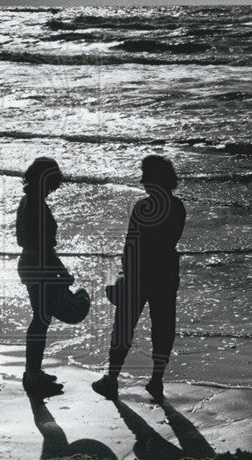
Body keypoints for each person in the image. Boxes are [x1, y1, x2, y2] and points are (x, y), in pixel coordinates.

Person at [92, 155, 185, 403]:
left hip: (140, 273)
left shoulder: (142, 207)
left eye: (146, 176)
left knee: (123, 326)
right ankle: (156, 380)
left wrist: (124, 275)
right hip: (166, 272)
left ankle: (111, 378)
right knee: (163, 326)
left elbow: (131, 245)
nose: (142, 181)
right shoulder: (178, 207)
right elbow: (169, 241)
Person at [16, 157, 78, 397]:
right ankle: (32, 374)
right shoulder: (36, 206)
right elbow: (44, 247)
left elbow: (27, 240)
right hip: (39, 266)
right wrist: (61, 272)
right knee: (40, 320)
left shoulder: (27, 201)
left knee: (40, 319)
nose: (54, 186)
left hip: (30, 264)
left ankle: (33, 371)